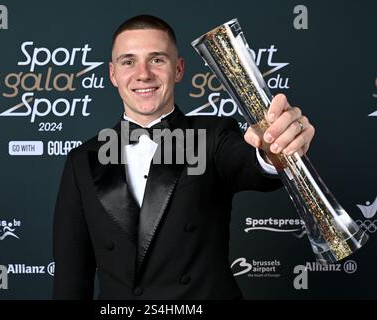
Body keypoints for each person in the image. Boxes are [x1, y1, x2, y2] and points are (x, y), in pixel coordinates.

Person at [52, 15, 315, 299]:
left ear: (178, 69)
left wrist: (274, 148)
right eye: (128, 62)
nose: (143, 74)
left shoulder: (211, 136)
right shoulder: (83, 160)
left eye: (157, 60)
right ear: (113, 74)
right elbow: (71, 278)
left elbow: (254, 165)